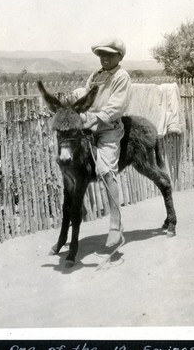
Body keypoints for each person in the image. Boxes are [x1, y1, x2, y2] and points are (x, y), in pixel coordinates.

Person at [80, 37, 131, 248]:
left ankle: (114, 224)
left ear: (119, 56)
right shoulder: (96, 75)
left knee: (105, 169)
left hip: (108, 129)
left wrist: (95, 118)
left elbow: (116, 107)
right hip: (89, 124)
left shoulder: (121, 77)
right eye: (102, 54)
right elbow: (86, 95)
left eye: (109, 54)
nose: (104, 58)